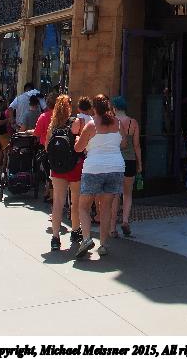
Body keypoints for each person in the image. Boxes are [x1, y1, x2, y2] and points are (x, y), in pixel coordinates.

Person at [73, 94, 125, 258]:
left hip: (94, 168)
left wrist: (77, 139)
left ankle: (87, 238)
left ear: (94, 109)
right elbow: (124, 143)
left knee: (83, 206)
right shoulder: (118, 123)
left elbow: (78, 148)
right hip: (115, 167)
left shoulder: (91, 125)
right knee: (106, 207)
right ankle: (103, 244)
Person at [45, 94, 83, 251]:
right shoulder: (75, 122)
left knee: (58, 202)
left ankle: (55, 237)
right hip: (74, 166)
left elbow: (47, 147)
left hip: (57, 168)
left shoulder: (52, 126)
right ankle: (75, 230)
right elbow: (79, 145)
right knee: (75, 202)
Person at [110, 95, 141, 238]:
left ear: (114, 108)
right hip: (130, 160)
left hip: (115, 160)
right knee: (128, 194)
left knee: (115, 195)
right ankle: (125, 221)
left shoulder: (112, 122)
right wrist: (140, 163)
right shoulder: (133, 122)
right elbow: (136, 145)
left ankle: (112, 228)